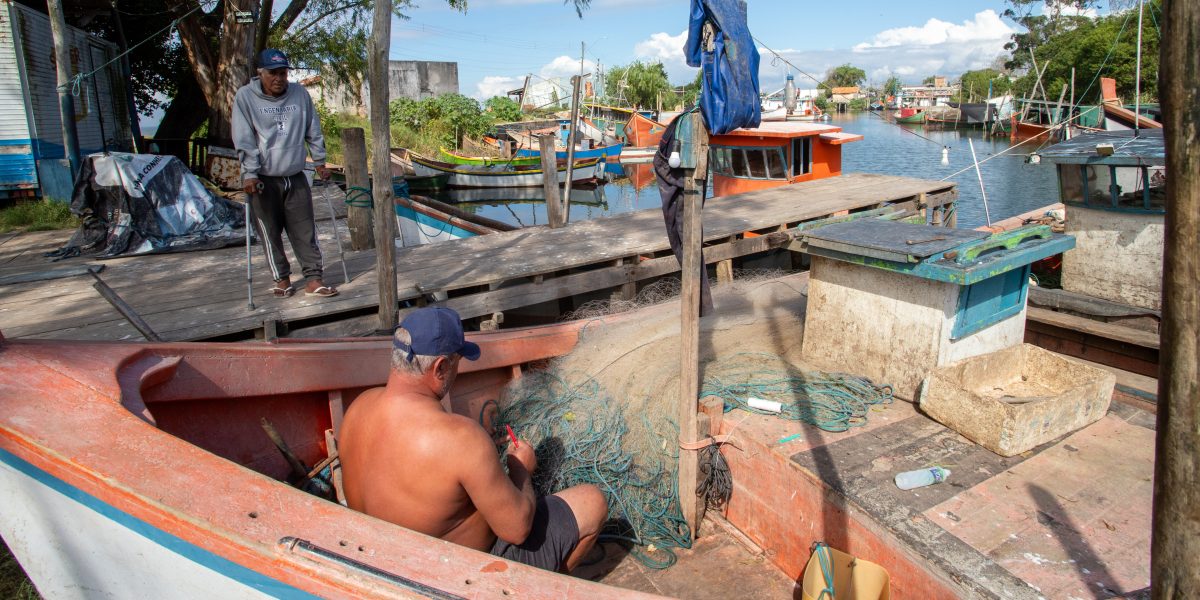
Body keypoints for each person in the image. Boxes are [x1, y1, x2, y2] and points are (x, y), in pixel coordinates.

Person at [339, 307, 608, 573]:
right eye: (458, 361)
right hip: (454, 577)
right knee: (591, 501)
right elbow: (517, 530)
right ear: (441, 367)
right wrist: (521, 471)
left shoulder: (358, 408)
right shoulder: (462, 439)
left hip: (382, 561)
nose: (457, 371)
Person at [232, 48, 337, 298]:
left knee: (304, 230)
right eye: (273, 73)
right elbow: (244, 137)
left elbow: (313, 127)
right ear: (260, 73)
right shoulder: (245, 97)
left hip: (295, 174)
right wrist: (249, 173)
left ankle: (314, 278)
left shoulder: (299, 94)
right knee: (270, 232)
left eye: (283, 73)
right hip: (263, 179)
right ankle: (281, 278)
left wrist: (320, 161)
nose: (279, 78)